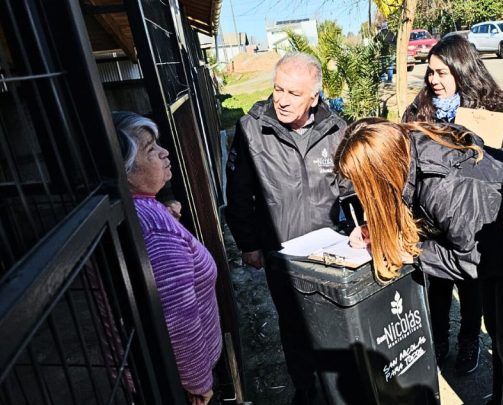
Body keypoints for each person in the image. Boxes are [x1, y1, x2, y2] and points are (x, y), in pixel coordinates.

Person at [336, 118, 503, 402]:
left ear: (383, 171)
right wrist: (377, 230)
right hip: (495, 247)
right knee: (502, 339)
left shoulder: (446, 187)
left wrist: (413, 253)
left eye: (364, 183)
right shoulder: (409, 154)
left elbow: (472, 259)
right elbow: (415, 204)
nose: (361, 192)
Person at [402, 34, 503, 403]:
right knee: (436, 289)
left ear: (464, 70)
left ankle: (468, 343)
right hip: (433, 225)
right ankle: (439, 342)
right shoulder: (420, 112)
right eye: (430, 72)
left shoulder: (493, 110)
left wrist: (471, 146)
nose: (434, 81)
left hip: (483, 231)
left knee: (476, 294)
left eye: (442, 72)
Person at [224, 52, 349, 404]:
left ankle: (337, 388)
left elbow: (350, 188)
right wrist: (248, 243)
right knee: (294, 326)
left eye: (294, 93)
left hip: (329, 251)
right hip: (281, 252)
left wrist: (358, 230)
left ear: (314, 97)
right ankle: (305, 389)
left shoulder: (336, 130)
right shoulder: (252, 129)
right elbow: (238, 192)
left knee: (334, 323)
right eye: (278, 89)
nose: (281, 100)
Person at [113, 111, 221, 405]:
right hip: (180, 386)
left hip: (152, 374)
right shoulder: (153, 232)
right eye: (151, 149)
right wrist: (199, 383)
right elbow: (179, 321)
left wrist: (163, 210)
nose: (165, 152)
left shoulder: (137, 208)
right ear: (126, 172)